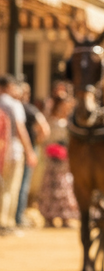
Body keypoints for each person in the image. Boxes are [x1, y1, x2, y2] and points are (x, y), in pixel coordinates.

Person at [39, 80, 79, 227]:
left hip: (64, 158)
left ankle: (65, 217)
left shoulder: (69, 121)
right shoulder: (50, 119)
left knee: (65, 185)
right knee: (51, 187)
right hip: (53, 156)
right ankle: (49, 217)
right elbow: (45, 138)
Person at [0, 74, 37, 234]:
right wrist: (29, 151)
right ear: (8, 87)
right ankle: (5, 223)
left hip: (2, 151)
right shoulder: (14, 104)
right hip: (13, 151)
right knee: (10, 188)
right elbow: (20, 129)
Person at [16, 81, 49, 227]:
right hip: (26, 150)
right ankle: (18, 217)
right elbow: (45, 129)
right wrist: (35, 144)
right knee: (23, 184)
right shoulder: (30, 109)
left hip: (16, 149)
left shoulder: (19, 108)